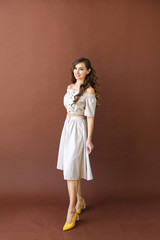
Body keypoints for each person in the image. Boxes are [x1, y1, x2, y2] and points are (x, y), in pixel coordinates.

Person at [56, 57, 100, 231]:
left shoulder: (89, 91)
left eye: (81, 69)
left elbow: (90, 117)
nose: (77, 72)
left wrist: (89, 139)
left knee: (72, 170)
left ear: (88, 71)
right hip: (67, 128)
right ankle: (80, 200)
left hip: (79, 129)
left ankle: (72, 209)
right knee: (72, 166)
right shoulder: (69, 88)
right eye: (75, 68)